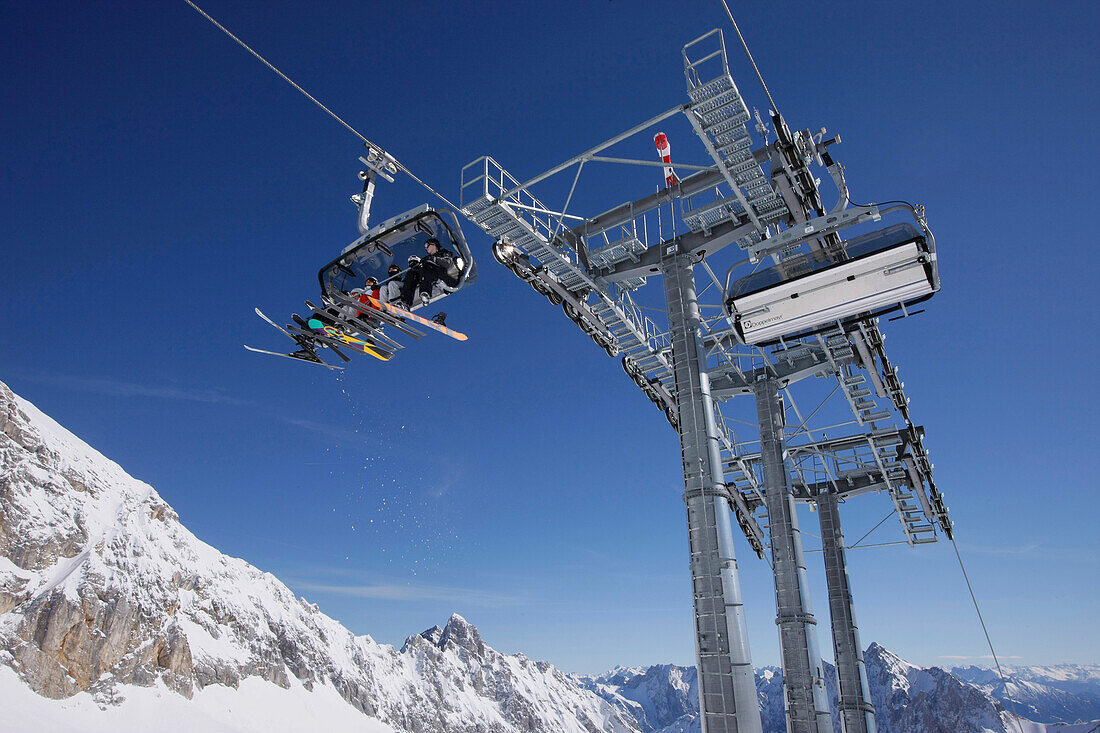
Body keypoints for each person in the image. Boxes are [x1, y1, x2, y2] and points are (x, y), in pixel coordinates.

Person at [400, 238, 460, 308]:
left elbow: (447, 263)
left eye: (427, 245)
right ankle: (405, 302)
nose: (426, 248)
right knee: (411, 273)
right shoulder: (426, 259)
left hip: (442, 274)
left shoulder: (443, 253)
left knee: (425, 267)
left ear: (433, 245)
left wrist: (433, 259)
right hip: (428, 275)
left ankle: (425, 293)